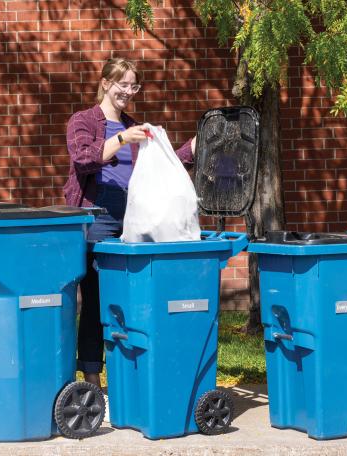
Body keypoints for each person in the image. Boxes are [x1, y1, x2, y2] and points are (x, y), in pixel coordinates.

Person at [64, 57, 197, 387]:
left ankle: (128, 377)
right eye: (122, 83)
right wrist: (124, 138)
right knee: (95, 299)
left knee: (128, 299)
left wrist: (193, 148)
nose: (128, 91)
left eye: (133, 85)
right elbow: (83, 159)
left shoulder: (134, 126)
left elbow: (161, 167)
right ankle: (93, 380)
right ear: (106, 83)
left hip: (133, 222)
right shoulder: (83, 121)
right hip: (97, 220)